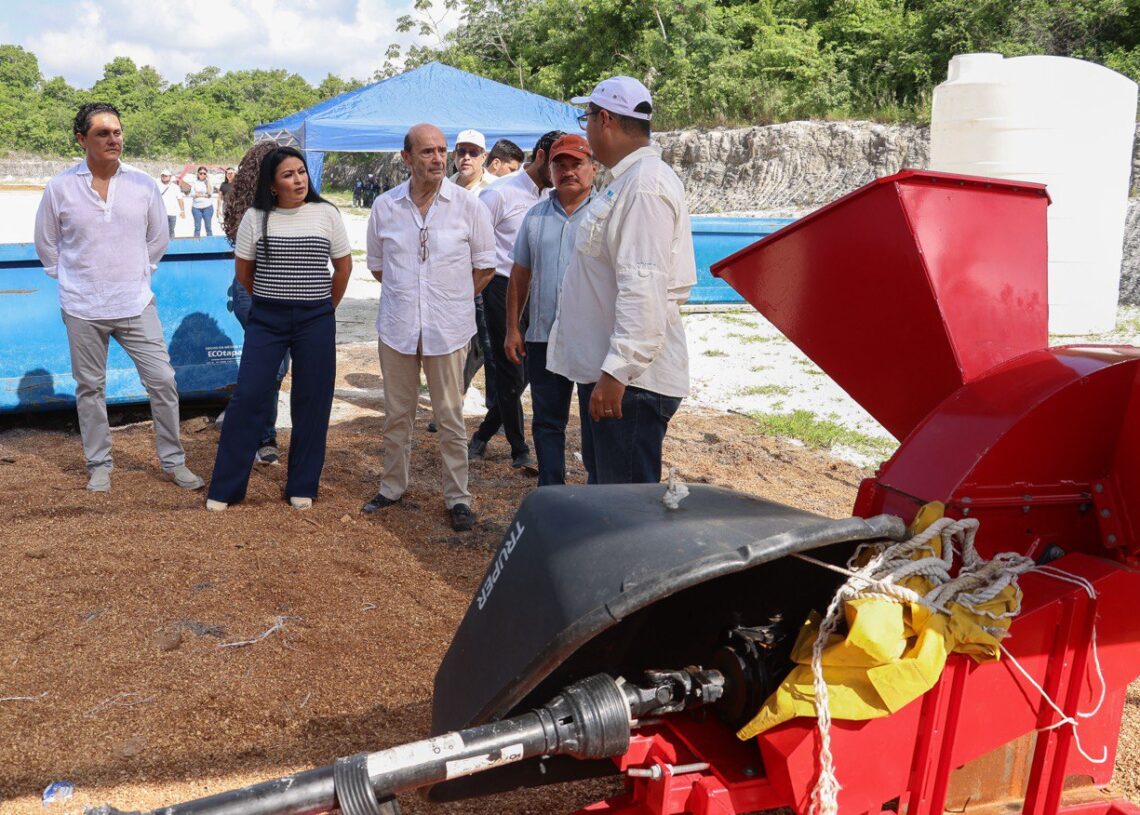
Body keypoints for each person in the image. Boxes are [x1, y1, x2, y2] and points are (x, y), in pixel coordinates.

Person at [33, 102, 204, 493]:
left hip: (135, 303)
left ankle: (174, 461)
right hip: (82, 307)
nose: (113, 139)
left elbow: (157, 238)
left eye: (117, 132)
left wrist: (136, 273)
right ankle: (99, 465)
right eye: (102, 133)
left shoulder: (143, 185)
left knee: (162, 380)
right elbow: (47, 244)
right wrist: (76, 280)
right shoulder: (60, 187)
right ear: (82, 139)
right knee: (90, 388)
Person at [547, 76, 696, 484]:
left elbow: (643, 286)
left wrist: (617, 371)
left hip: (631, 383)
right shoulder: (626, 181)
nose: (587, 130)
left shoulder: (644, 187)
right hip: (615, 375)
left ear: (605, 120)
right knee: (607, 494)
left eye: (587, 119)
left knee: (625, 505)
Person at [361, 123, 495, 532]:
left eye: (441, 150)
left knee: (450, 418)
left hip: (448, 330)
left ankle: (458, 497)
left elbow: (485, 267)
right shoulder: (385, 206)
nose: (438, 159)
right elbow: (379, 267)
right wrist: (412, 298)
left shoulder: (469, 206)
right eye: (427, 152)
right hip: (398, 328)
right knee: (397, 415)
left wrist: (450, 300)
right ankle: (392, 486)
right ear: (407, 158)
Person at [205, 146, 352, 511]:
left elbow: (343, 268)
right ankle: (226, 488)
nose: (298, 180)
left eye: (301, 172)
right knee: (248, 396)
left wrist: (324, 307)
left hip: (316, 319)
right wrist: (272, 299)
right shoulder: (255, 218)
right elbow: (244, 272)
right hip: (267, 321)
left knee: (313, 399)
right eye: (288, 175)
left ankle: (302, 484)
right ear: (272, 185)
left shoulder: (326, 213)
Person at [504, 134, 597, 485]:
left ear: (593, 168)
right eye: (561, 165)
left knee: (596, 422)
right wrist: (513, 328)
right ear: (550, 169)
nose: (568, 171)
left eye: (577, 164)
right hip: (543, 335)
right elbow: (519, 274)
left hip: (591, 338)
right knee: (546, 422)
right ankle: (552, 492)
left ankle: (597, 493)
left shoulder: (607, 214)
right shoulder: (535, 216)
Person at [467, 130, 563, 471]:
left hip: (541, 289)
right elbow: (473, 241)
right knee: (511, 367)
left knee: (529, 370)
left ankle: (483, 434)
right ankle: (519, 448)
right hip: (501, 285)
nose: (562, 171)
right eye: (556, 163)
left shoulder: (554, 196)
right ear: (541, 156)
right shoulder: (499, 194)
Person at [219, 140, 289, 466]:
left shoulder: (290, 202)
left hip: (281, 292)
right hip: (253, 291)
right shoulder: (250, 208)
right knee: (272, 367)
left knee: (273, 367)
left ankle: (249, 426)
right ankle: (262, 436)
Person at [156, 168, 185, 238]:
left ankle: (171, 244)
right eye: (162, 175)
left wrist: (182, 211)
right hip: (160, 213)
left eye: (166, 176)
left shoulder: (175, 187)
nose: (164, 177)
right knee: (160, 231)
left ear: (170, 177)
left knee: (171, 231)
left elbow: (180, 199)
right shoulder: (156, 185)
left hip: (172, 212)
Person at [189, 165, 215, 237]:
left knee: (208, 228)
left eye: (204, 173)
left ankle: (210, 241)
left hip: (207, 207)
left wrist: (208, 181)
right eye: (201, 173)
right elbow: (192, 194)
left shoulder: (209, 182)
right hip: (196, 208)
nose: (202, 175)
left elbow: (209, 194)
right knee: (197, 228)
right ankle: (196, 242)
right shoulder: (194, 182)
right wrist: (204, 195)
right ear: (198, 174)